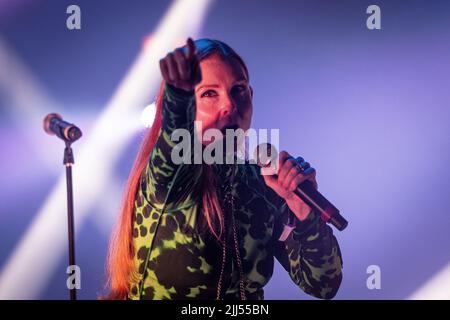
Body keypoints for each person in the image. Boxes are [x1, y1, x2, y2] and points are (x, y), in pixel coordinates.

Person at [106, 38, 343, 300]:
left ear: (251, 96)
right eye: (209, 93)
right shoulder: (170, 176)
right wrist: (178, 96)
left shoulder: (262, 181)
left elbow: (323, 284)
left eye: (238, 90)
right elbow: (175, 144)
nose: (229, 105)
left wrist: (302, 210)